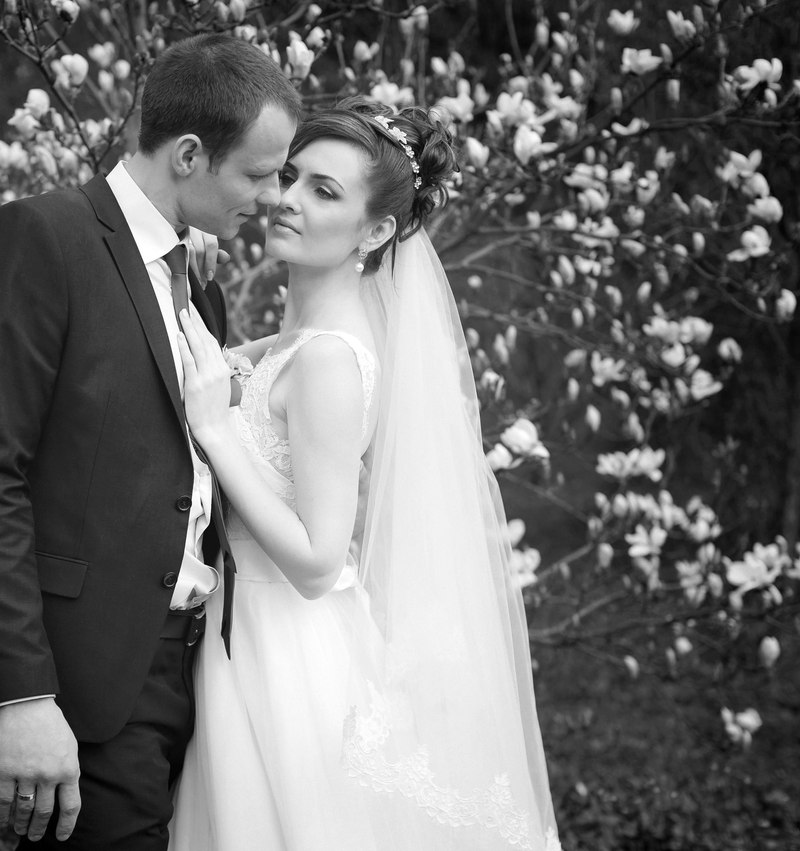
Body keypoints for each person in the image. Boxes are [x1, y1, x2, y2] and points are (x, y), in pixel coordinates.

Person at [0, 34, 299, 850]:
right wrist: (23, 696)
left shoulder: (196, 283)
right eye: (259, 174)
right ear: (189, 155)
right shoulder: (40, 239)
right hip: (84, 679)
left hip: (197, 673)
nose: (271, 197)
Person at [168, 98, 562, 850]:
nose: (289, 199)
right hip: (248, 636)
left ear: (376, 231)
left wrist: (217, 431)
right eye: (290, 176)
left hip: (287, 655)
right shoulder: (297, 345)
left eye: (324, 191)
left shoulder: (330, 362)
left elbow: (319, 561)